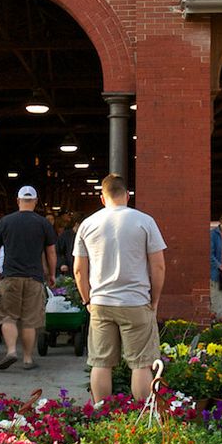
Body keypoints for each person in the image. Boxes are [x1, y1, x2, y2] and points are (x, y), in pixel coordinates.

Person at [73, 173, 166, 404]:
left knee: (101, 363)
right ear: (127, 195)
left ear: (102, 198)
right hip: (136, 301)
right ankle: (142, 416)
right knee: (141, 364)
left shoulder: (88, 224)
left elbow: (78, 270)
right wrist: (154, 301)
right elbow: (159, 266)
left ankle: (100, 412)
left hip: (101, 303)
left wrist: (87, 301)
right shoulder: (145, 221)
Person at [0, 186, 57, 371]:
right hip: (34, 278)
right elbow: (50, 251)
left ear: (18, 200)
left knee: (7, 316)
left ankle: (11, 351)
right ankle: (27, 359)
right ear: (35, 201)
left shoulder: (5, 221)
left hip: (10, 277)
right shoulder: (44, 223)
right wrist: (51, 274)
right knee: (30, 320)